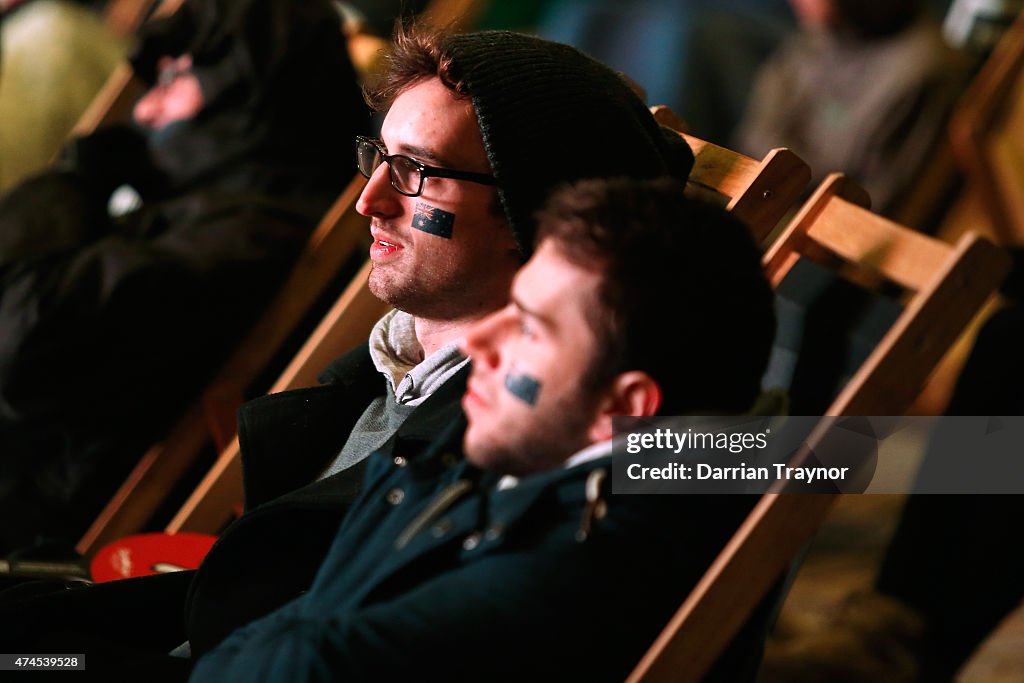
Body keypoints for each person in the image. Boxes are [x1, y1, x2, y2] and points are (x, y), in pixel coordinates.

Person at [0, 24, 696, 674]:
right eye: (379, 157)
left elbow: (783, 456)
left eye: (419, 171)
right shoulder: (385, 371)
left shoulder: (529, 429)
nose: (368, 201)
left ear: (532, 213)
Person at [189, 177, 778, 682]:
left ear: (622, 403)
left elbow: (305, 661)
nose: (481, 343)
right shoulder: (528, 437)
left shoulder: (574, 574)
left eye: (530, 329)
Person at [0, 0, 367, 552]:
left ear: (243, 82)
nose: (145, 111)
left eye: (172, 78)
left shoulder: (248, 233)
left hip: (37, 532)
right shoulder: (210, 208)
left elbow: (21, 342)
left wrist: (74, 183)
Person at [735, 0, 968, 216]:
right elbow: (756, 131)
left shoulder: (924, 70)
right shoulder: (825, 31)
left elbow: (876, 201)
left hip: (820, 230)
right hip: (768, 192)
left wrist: (786, 172)